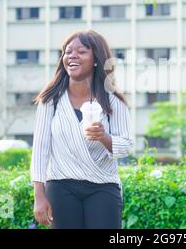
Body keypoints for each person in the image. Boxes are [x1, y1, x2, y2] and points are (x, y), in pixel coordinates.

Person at [30, 29, 132, 229]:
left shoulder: (113, 101)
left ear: (96, 59)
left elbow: (125, 146)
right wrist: (39, 195)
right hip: (61, 186)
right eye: (68, 52)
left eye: (82, 51)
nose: (72, 56)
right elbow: (40, 149)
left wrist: (104, 137)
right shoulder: (50, 100)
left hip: (103, 186)